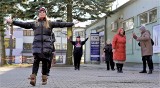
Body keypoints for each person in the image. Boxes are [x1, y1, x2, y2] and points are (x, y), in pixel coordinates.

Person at [6, 7, 74, 86]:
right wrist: (13, 21)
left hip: (46, 48)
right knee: (36, 62)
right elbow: (23, 24)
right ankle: (33, 78)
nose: (42, 13)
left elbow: (61, 24)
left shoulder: (50, 23)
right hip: (37, 47)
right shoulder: (35, 23)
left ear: (45, 14)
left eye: (43, 12)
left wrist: (72, 23)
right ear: (38, 14)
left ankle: (44, 77)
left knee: (45, 62)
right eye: (40, 12)